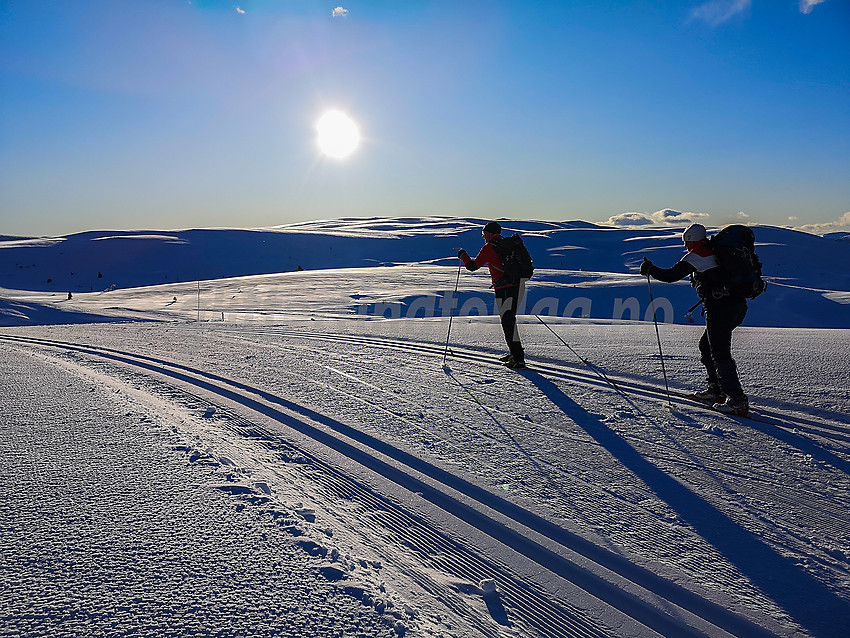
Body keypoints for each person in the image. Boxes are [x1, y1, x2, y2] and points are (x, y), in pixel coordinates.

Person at [640, 223, 749, 415]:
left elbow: (671, 275)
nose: (685, 245)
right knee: (707, 346)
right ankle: (716, 390)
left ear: (691, 239)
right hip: (736, 306)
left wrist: (650, 269)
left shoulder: (698, 255)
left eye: (685, 241)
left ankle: (736, 399)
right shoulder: (714, 251)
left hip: (721, 308)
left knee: (719, 352)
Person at [458, 221, 526, 369]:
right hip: (517, 285)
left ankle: (518, 359)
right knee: (509, 321)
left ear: (490, 234)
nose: (483, 237)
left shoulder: (489, 248)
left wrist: (463, 256)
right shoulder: (506, 244)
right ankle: (515, 353)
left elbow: (473, 266)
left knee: (507, 322)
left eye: (484, 234)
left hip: (503, 288)